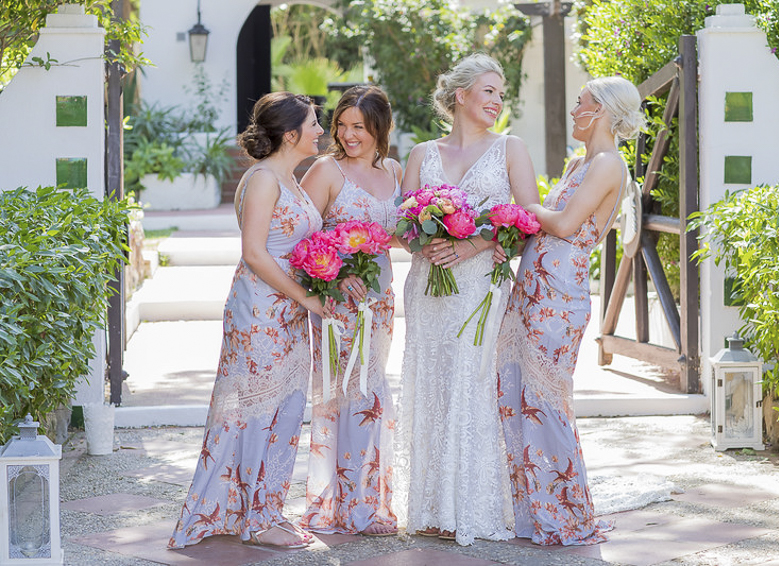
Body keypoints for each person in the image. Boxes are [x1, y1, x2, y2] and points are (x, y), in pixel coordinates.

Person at [169, 92, 328, 550]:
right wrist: (308, 297)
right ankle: (255, 520)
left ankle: (265, 510)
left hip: (289, 312)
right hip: (260, 313)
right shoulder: (262, 180)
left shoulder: (290, 179)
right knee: (255, 412)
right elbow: (255, 253)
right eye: (313, 124)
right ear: (291, 134)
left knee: (284, 412)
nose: (321, 131)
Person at [395, 53, 539, 546]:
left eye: (501, 94)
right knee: (432, 382)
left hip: (480, 285)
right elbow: (403, 224)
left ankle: (474, 505)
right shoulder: (421, 153)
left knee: (473, 382)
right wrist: (425, 243)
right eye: (489, 91)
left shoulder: (510, 148)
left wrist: (472, 245)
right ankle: (432, 506)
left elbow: (526, 220)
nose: (497, 101)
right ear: (461, 95)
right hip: (428, 285)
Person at [495, 76, 645, 546]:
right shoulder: (581, 162)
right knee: (516, 393)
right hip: (532, 288)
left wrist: (520, 209)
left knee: (546, 401)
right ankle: (530, 510)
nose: (574, 110)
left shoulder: (608, 164)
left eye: (580, 103)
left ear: (600, 110)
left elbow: (562, 224)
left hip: (559, 297)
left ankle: (564, 513)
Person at [298, 85, 401, 536]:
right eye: (341, 125)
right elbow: (299, 238)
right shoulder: (326, 170)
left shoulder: (394, 170)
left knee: (369, 393)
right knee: (353, 396)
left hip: (381, 302)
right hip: (339, 304)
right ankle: (350, 506)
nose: (347, 134)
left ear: (380, 128)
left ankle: (367, 500)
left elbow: (397, 234)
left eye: (358, 126)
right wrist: (336, 276)